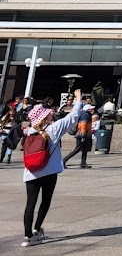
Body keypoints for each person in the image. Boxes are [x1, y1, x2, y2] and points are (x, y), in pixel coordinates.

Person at [22, 89, 85, 247]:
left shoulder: (29, 132)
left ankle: (27, 236)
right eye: (48, 113)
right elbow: (72, 117)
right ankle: (37, 230)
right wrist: (78, 99)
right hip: (49, 171)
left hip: (31, 172)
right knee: (45, 201)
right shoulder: (54, 129)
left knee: (30, 203)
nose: (51, 113)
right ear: (44, 116)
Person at [62, 103, 95, 169]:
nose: (92, 110)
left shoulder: (85, 114)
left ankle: (83, 163)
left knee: (84, 149)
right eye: (91, 109)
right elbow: (83, 125)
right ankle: (63, 161)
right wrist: (83, 135)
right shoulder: (85, 115)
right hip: (83, 134)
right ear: (88, 110)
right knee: (77, 149)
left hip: (85, 134)